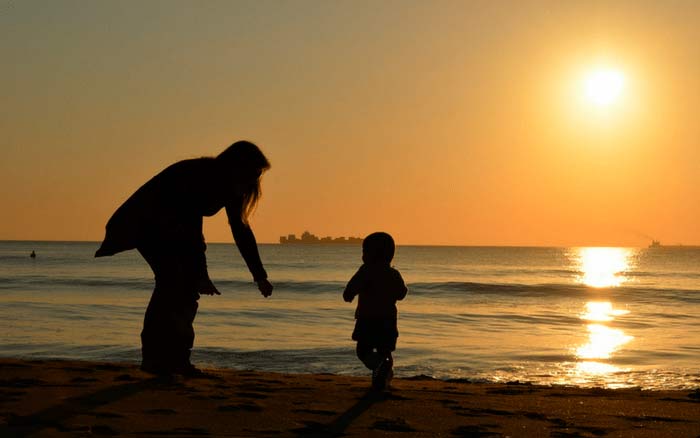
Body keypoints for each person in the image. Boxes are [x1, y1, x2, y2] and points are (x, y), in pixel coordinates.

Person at [95, 140, 273, 376]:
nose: (256, 180)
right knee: (173, 285)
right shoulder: (202, 177)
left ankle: (175, 358)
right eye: (255, 172)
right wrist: (201, 274)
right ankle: (157, 359)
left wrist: (259, 275)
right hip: (146, 225)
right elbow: (190, 230)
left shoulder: (230, 188)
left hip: (169, 229)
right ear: (238, 166)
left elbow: (240, 230)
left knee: (180, 289)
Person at [343, 232, 407, 390]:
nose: (362, 255)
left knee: (363, 350)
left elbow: (350, 290)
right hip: (388, 321)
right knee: (385, 352)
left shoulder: (365, 271)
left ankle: (379, 369)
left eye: (364, 251)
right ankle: (383, 379)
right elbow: (402, 293)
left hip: (367, 319)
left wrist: (349, 295)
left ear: (369, 254)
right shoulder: (393, 273)